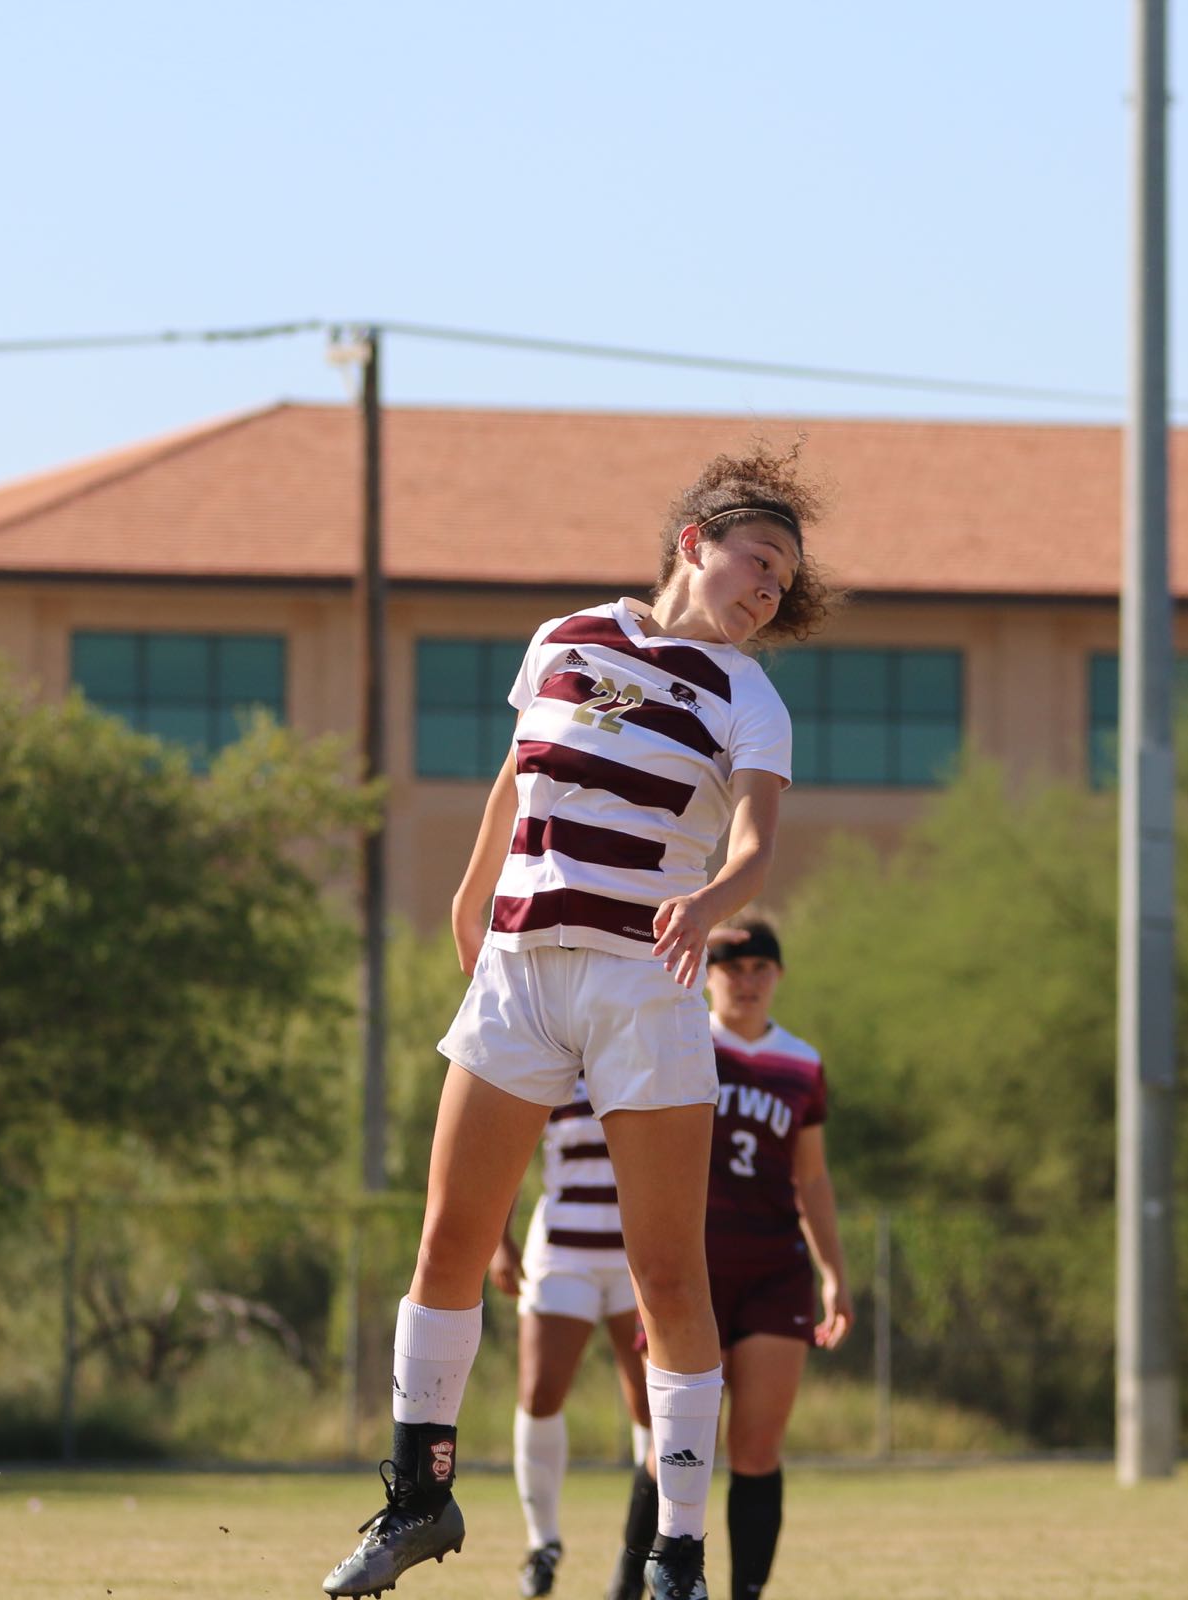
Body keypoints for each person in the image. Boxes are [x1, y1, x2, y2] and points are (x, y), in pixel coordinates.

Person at [320, 448, 838, 1600]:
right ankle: (420, 1494)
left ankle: (678, 1558)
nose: (766, 590)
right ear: (697, 538)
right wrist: (468, 894)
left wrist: (711, 900)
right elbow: (515, 779)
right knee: (451, 1239)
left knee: (667, 1272)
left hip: (640, 985)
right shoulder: (564, 638)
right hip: (519, 969)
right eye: (759, 561)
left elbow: (753, 842)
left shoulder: (746, 693)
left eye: (782, 582)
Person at [601, 919, 853, 1600]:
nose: (745, 979)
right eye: (731, 965)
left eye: (759, 967)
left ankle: (744, 1592)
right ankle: (629, 1588)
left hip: (775, 1271)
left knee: (755, 1450)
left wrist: (835, 1272)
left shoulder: (801, 1061)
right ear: (704, 972)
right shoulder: (682, 1040)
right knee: (674, 1449)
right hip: (690, 1273)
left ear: (778, 976)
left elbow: (813, 1178)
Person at [488, 1073, 649, 1598]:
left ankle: (653, 1546)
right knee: (539, 1394)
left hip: (638, 1252)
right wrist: (500, 1239)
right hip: (563, 1250)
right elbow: (508, 1146)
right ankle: (543, 1543)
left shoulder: (641, 1043)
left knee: (651, 1403)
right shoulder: (552, 1055)